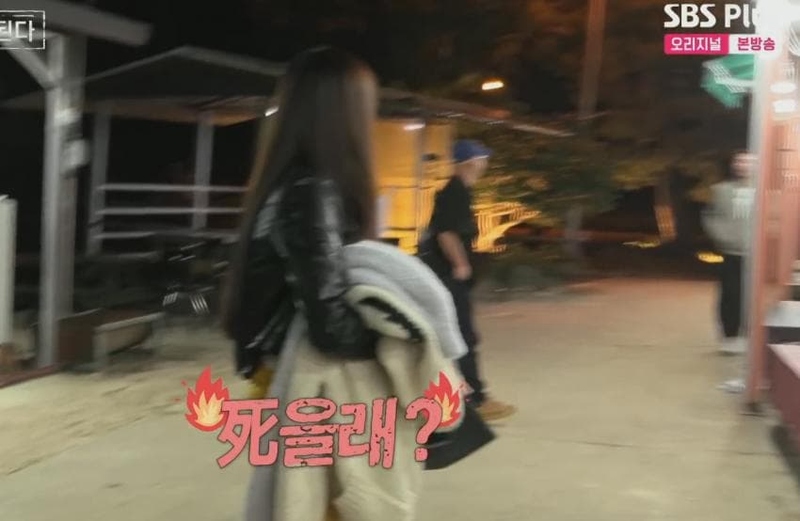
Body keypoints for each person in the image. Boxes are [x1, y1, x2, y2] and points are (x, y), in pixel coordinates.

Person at [222, 47, 488, 521]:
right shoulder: (312, 190)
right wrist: (407, 342)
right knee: (331, 506)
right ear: (343, 111)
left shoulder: (291, 183)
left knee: (311, 504)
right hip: (308, 385)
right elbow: (331, 325)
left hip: (284, 375)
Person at [419, 139, 516, 421]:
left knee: (454, 337)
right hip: (448, 277)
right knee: (462, 337)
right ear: (470, 162)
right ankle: (476, 400)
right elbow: (446, 233)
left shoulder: (460, 191)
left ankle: (456, 397)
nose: (485, 164)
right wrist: (460, 264)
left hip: (445, 277)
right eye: (482, 159)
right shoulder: (455, 192)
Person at [702, 150, 755, 393]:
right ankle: (730, 336)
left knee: (751, 294)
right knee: (730, 292)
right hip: (731, 252)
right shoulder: (722, 190)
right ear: (735, 165)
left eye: (749, 162)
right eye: (740, 161)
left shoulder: (765, 191)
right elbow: (710, 217)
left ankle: (748, 335)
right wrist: (724, 237)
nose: (744, 165)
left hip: (756, 254)